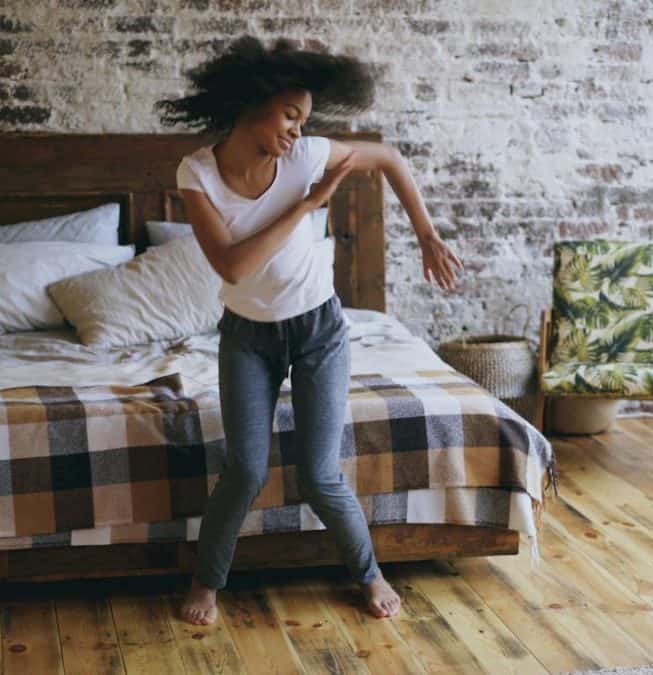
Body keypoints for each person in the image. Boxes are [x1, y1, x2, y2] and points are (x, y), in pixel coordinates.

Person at [155, 37, 464, 626]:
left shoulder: (306, 155)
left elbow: (390, 158)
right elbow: (232, 265)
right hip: (248, 336)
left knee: (320, 473)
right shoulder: (197, 172)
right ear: (253, 106)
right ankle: (207, 581)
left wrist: (425, 234)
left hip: (320, 329)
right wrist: (308, 205)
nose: (298, 131)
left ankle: (370, 572)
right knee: (245, 468)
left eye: (304, 119)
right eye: (290, 115)